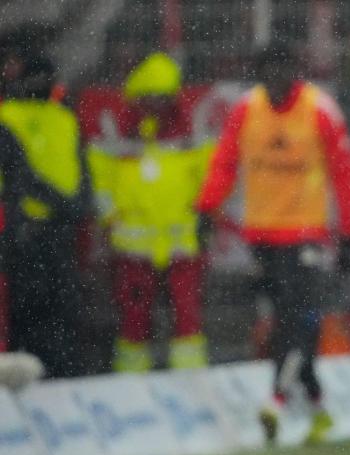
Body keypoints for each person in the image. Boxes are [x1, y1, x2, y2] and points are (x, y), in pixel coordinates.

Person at [198, 43, 350, 445]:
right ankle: (319, 408)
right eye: (268, 69)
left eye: (283, 68)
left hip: (306, 235)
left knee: (295, 319)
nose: (275, 77)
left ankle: (275, 399)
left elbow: (344, 172)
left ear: (296, 71)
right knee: (283, 322)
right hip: (262, 237)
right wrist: (205, 208)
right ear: (258, 72)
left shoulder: (319, 109)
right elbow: (225, 162)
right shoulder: (245, 110)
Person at [88, 52, 213, 373]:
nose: (156, 104)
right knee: (133, 322)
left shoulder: (189, 130)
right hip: (134, 247)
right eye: (149, 98)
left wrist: (205, 218)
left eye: (163, 98)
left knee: (186, 319)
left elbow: (210, 179)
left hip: (181, 244)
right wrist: (112, 218)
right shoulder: (117, 132)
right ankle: (130, 386)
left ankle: (191, 382)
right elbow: (99, 181)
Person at [0, 54, 87, 378]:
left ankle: (60, 373)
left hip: (57, 230)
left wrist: (77, 206)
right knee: (25, 310)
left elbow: (81, 164)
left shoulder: (64, 117)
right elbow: (19, 176)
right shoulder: (7, 117)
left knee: (62, 308)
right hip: (21, 231)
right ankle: (30, 375)